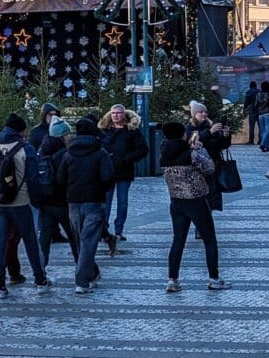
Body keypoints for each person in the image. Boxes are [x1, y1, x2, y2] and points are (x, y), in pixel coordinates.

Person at [0, 113, 51, 299]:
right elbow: (33, 179)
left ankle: (0, 286)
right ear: (20, 130)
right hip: (20, 201)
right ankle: (40, 280)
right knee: (30, 241)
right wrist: (37, 201)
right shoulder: (25, 149)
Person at [159, 119, 226, 293]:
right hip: (196, 201)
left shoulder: (164, 154)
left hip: (176, 202)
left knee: (178, 241)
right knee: (209, 239)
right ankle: (214, 278)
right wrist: (200, 149)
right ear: (183, 135)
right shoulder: (191, 154)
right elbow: (210, 168)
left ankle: (172, 280)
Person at [55, 114, 115, 293]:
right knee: (89, 242)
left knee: (81, 240)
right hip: (94, 201)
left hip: (73, 202)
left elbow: (60, 178)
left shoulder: (68, 153)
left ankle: (89, 276)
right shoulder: (100, 152)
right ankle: (81, 281)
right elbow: (108, 177)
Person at [99, 104, 146, 248]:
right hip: (107, 172)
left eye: (119, 113)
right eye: (113, 113)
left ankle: (119, 230)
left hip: (124, 172)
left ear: (124, 115)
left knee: (122, 202)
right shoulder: (104, 131)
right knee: (105, 202)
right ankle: (104, 230)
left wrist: (126, 158)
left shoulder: (132, 131)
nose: (116, 115)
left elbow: (143, 149)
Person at [36, 116, 78, 265]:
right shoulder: (66, 154)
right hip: (63, 202)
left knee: (43, 241)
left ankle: (40, 275)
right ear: (63, 135)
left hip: (44, 202)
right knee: (74, 237)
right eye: (68, 134)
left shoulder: (41, 151)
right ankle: (84, 272)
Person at [189, 100, 231, 212]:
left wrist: (226, 136)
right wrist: (210, 132)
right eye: (200, 112)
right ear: (194, 114)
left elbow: (223, 146)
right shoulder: (192, 127)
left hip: (213, 167)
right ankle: (201, 226)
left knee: (211, 198)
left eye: (205, 111)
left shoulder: (210, 126)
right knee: (201, 198)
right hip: (199, 169)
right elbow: (192, 143)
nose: (204, 114)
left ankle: (205, 224)